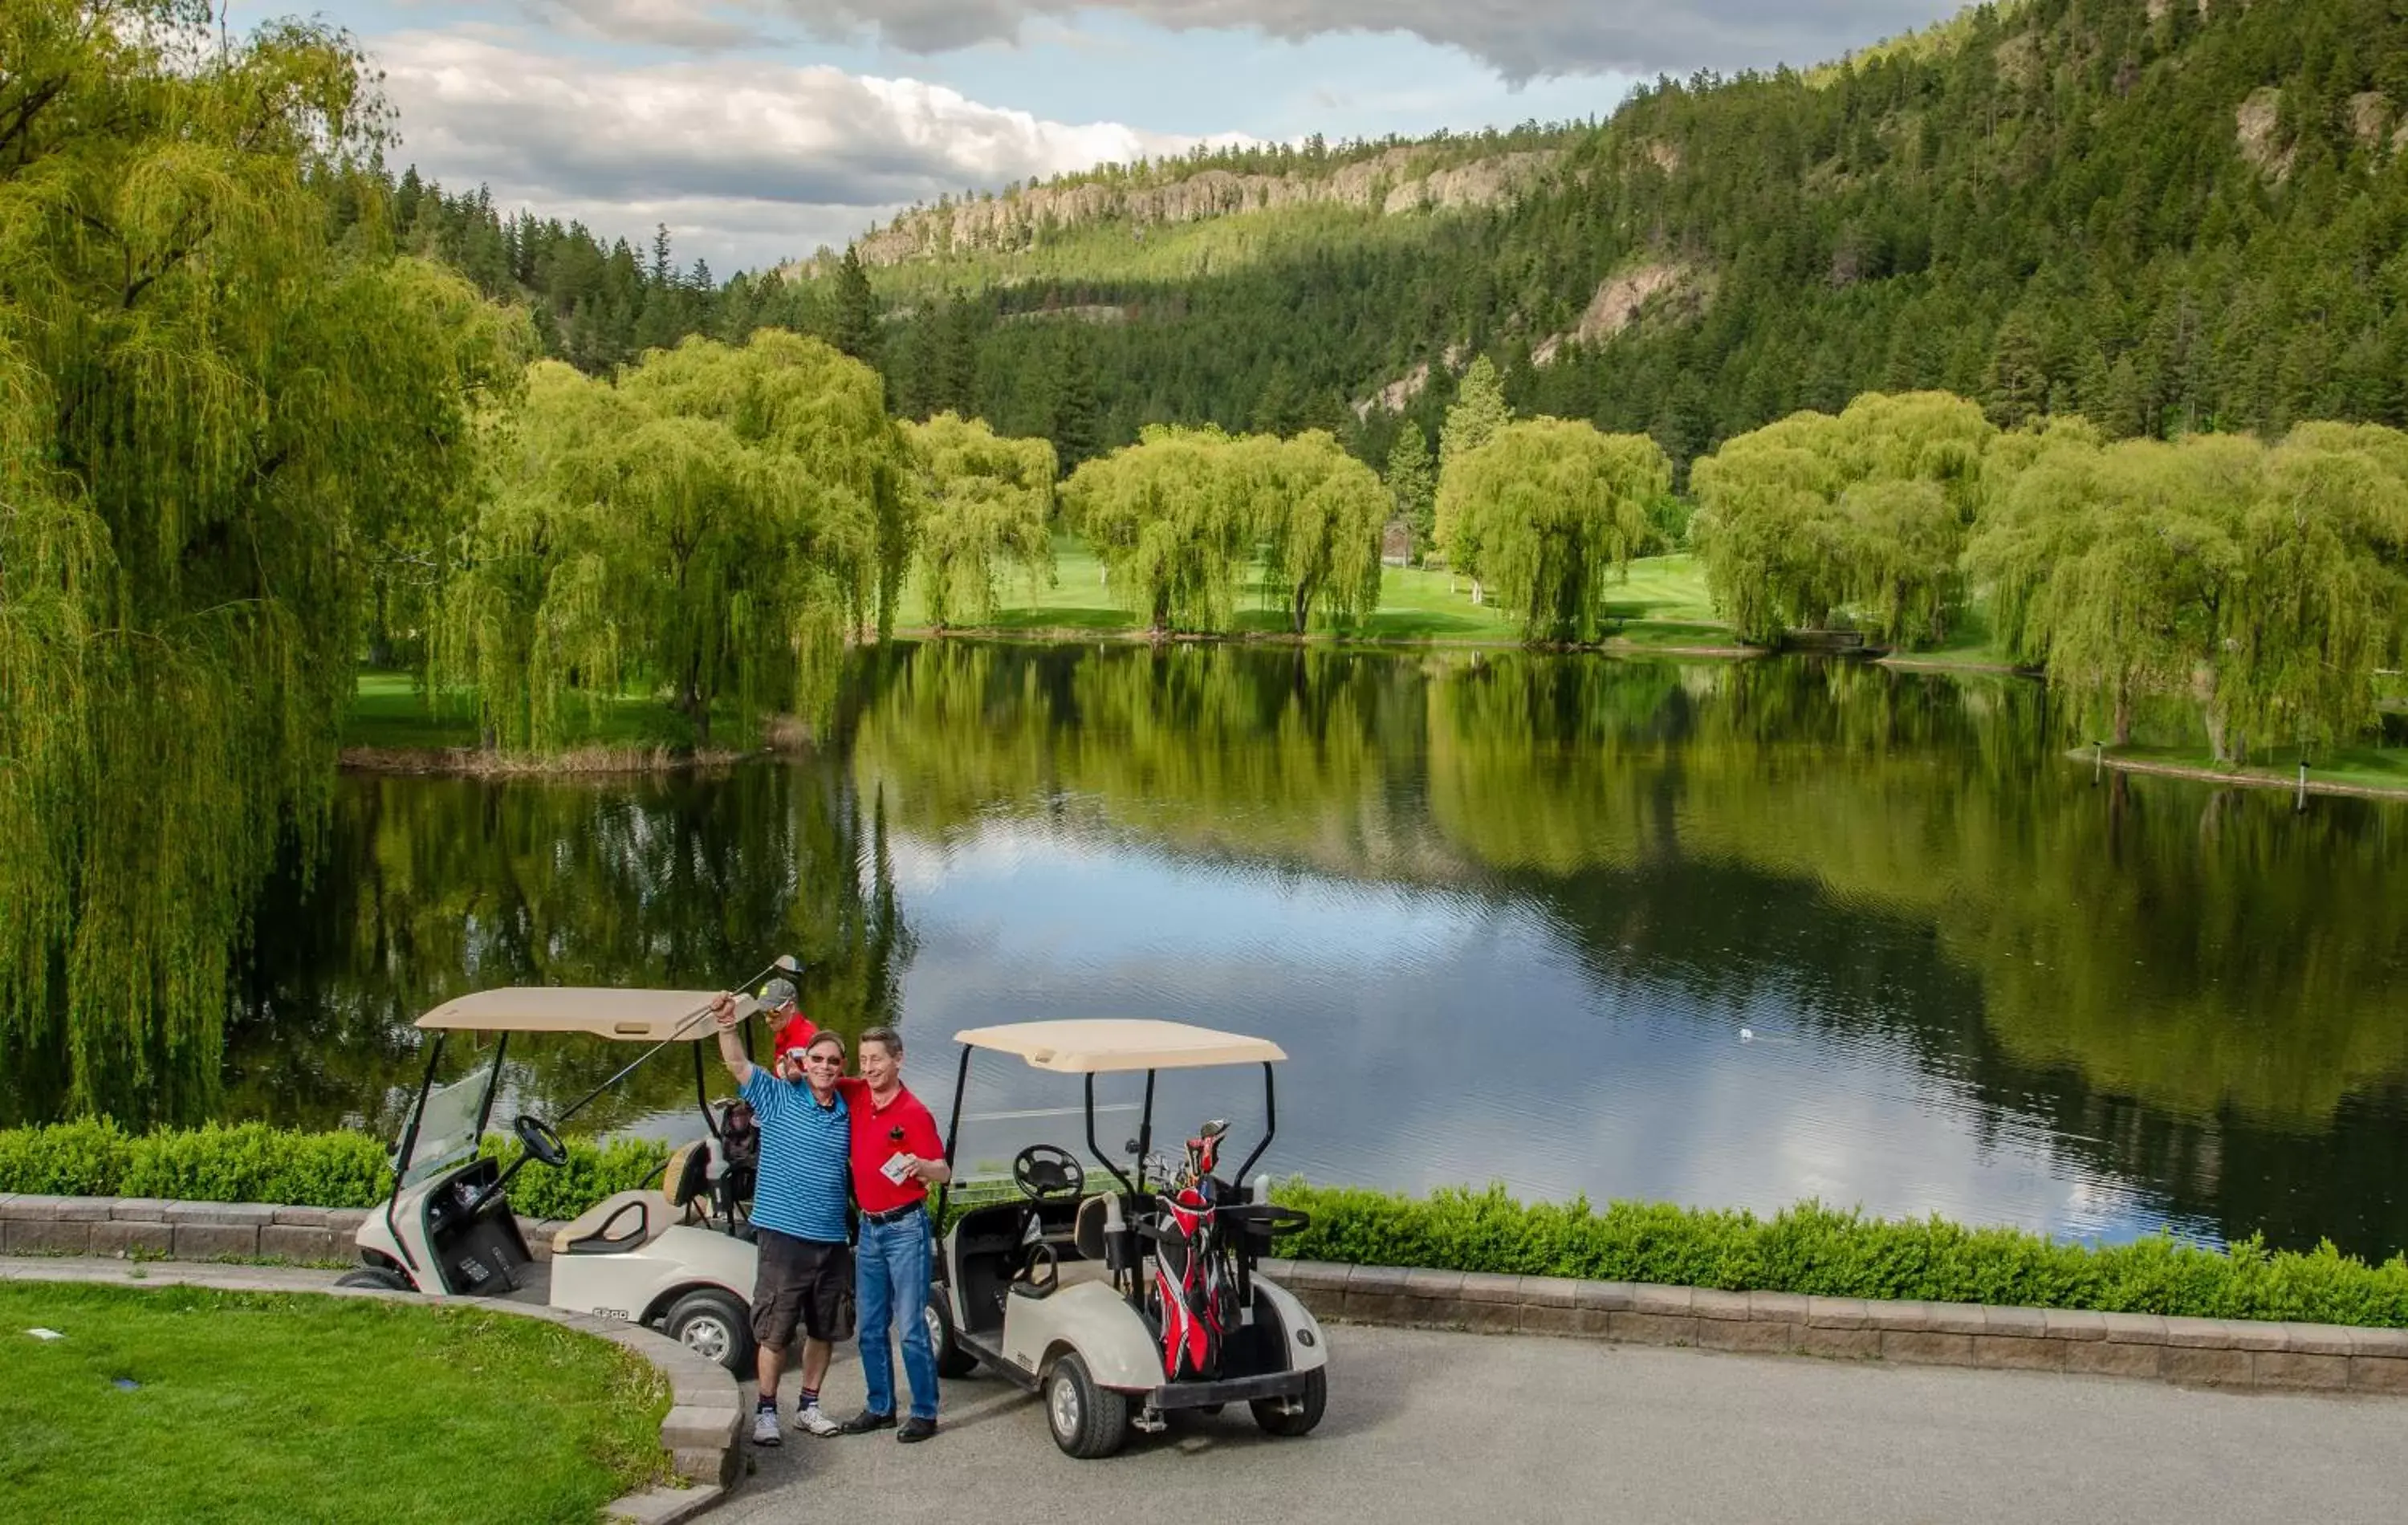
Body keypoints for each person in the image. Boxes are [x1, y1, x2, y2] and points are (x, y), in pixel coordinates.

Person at [711, 987, 852, 1446]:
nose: (825, 1067)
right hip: (783, 1234)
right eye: (818, 1060)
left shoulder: (850, 1111)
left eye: (834, 1061)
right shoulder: (778, 1097)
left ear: (840, 1068)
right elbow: (736, 1064)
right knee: (774, 1328)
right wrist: (727, 1024)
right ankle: (768, 1410)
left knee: (825, 1327)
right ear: (805, 1063)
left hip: (831, 1237)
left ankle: (809, 1406)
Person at [832, 1025, 950, 1442]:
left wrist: (921, 1164)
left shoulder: (914, 1113)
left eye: (876, 1060)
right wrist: (791, 1064)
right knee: (869, 1326)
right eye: (863, 1061)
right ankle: (880, 1406)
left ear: (898, 1060)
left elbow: (944, 1170)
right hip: (869, 1228)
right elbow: (819, 1074)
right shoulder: (858, 1094)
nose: (868, 1069)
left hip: (905, 1228)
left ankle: (923, 1412)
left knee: (911, 1325)